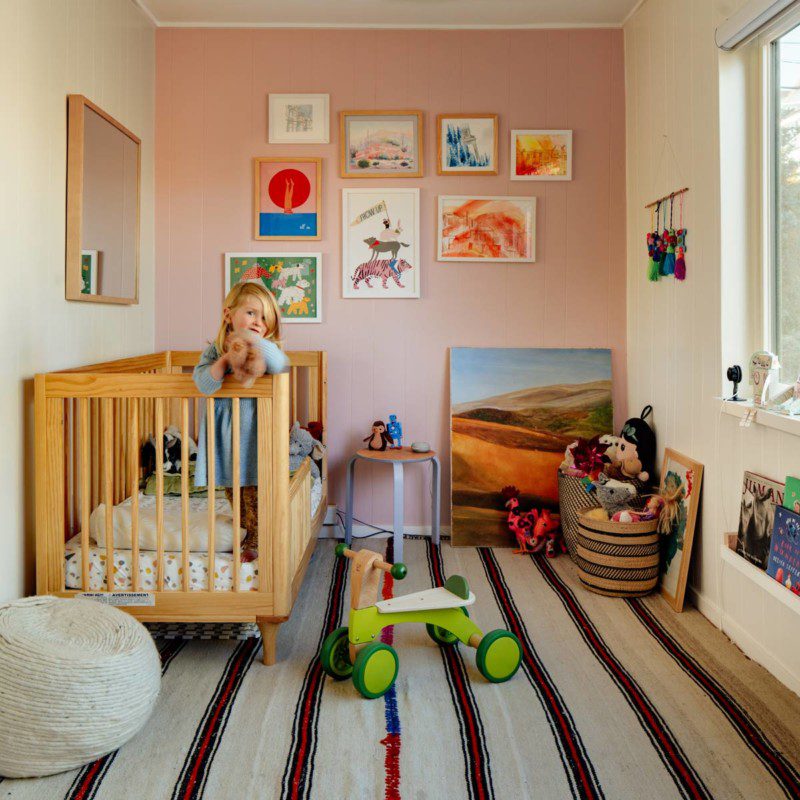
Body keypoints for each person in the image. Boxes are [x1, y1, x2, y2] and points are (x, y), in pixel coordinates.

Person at [193, 282, 289, 563]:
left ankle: (258, 537)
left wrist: (253, 341)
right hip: (226, 439)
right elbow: (204, 385)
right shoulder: (213, 351)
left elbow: (280, 363)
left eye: (264, 319)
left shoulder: (267, 350)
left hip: (256, 437)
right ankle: (246, 529)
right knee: (235, 491)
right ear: (228, 314)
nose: (258, 323)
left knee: (256, 493)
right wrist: (224, 359)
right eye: (251, 313)